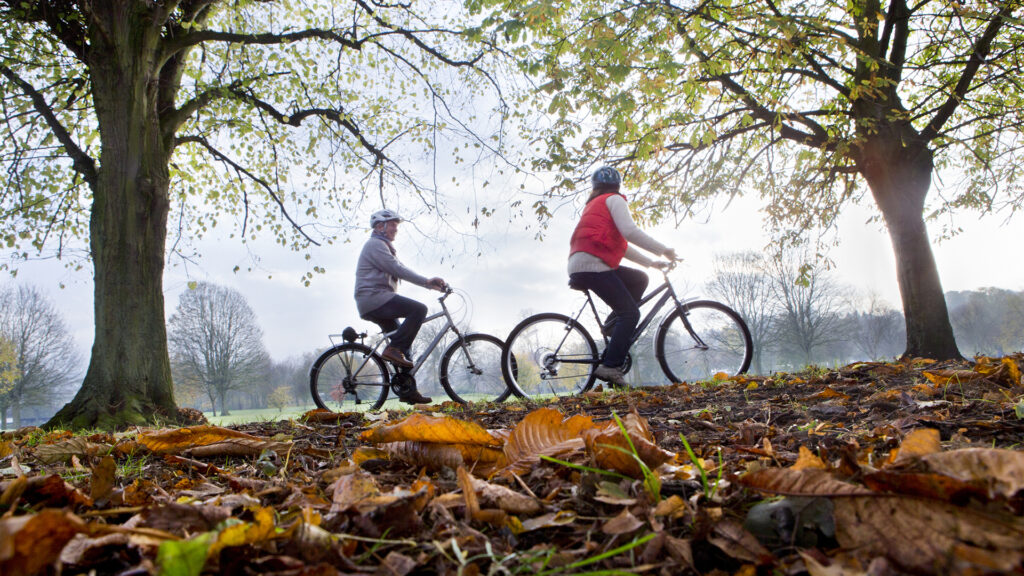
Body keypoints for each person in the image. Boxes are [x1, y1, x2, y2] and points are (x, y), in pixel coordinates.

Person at [568, 166, 676, 388]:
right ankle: (611, 366)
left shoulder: (594, 205)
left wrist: (651, 263)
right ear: (617, 185)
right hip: (593, 264)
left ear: (594, 186)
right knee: (631, 313)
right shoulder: (615, 200)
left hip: (581, 263)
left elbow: (621, 246)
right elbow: (630, 232)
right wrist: (663, 249)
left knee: (639, 279)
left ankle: (613, 326)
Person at [355, 209, 446, 404]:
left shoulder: (383, 246)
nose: (396, 228)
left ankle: (407, 390)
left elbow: (399, 268)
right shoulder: (375, 245)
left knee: (403, 349)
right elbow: (398, 269)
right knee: (418, 310)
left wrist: (429, 283)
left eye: (397, 224)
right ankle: (393, 349)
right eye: (393, 224)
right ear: (380, 226)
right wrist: (427, 282)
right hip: (375, 299)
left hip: (377, 299)